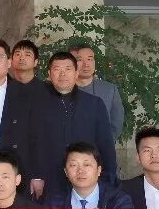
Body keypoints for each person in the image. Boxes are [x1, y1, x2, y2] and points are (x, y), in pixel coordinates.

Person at [29, 52, 118, 198]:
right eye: (57, 69)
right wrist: (36, 175)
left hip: (85, 179)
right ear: (49, 74)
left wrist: (108, 179)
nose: (62, 74)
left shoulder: (94, 104)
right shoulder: (36, 104)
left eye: (68, 69)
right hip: (48, 179)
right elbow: (30, 141)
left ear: (76, 73)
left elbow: (105, 144)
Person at [46, 141, 133, 209]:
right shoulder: (54, 202)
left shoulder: (119, 201)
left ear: (99, 170)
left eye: (86, 165)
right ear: (66, 172)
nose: (80, 171)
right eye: (73, 165)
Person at [70, 42, 125, 145]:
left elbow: (116, 123)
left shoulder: (109, 90)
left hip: (100, 149)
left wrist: (103, 143)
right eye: (79, 60)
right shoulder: (61, 90)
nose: (86, 64)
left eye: (90, 59)